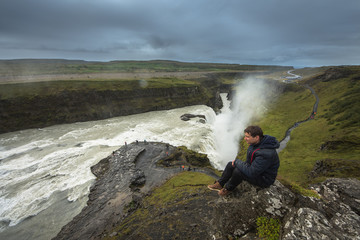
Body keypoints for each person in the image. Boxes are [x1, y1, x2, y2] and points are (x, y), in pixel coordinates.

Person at [208, 126, 280, 196]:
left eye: (248, 137)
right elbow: (249, 162)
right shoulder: (256, 143)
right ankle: (220, 184)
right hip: (258, 171)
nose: (245, 139)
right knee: (231, 164)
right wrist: (238, 164)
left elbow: (252, 172)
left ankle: (228, 189)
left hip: (264, 179)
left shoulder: (265, 154)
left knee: (238, 172)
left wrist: (237, 162)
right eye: (245, 136)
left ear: (257, 137)